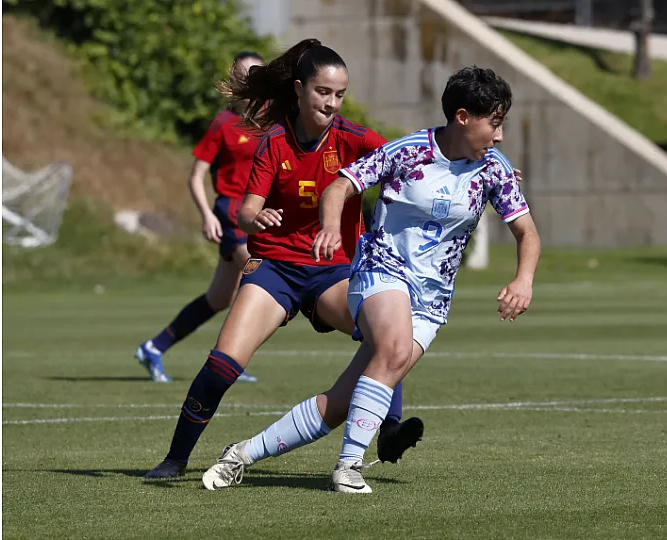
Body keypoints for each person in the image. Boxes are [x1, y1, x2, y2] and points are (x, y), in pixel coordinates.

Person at [198, 65, 541, 494]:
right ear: (462, 117)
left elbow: (527, 233)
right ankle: (348, 467)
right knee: (394, 349)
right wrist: (329, 228)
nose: (500, 136)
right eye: (495, 122)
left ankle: (241, 454)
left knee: (342, 402)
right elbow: (338, 187)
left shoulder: (494, 168)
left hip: (432, 299)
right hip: (382, 269)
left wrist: (523, 279)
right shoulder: (408, 151)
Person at [144, 39, 425, 479]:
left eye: (339, 95)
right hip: (275, 269)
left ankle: (389, 429)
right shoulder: (274, 142)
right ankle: (175, 459)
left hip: (334, 272)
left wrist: (479, 169)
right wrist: (257, 218)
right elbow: (246, 212)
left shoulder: (354, 138)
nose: (331, 103)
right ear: (299, 89)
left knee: (386, 336)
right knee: (223, 363)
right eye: (323, 92)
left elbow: (414, 162)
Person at [134, 51, 263, 384]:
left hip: (255, 215)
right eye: (244, 75)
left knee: (219, 299)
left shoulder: (269, 122)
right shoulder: (224, 123)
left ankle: (154, 347)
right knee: (262, 277)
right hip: (231, 214)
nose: (250, 82)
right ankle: (228, 360)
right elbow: (196, 177)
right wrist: (207, 215)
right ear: (233, 80)